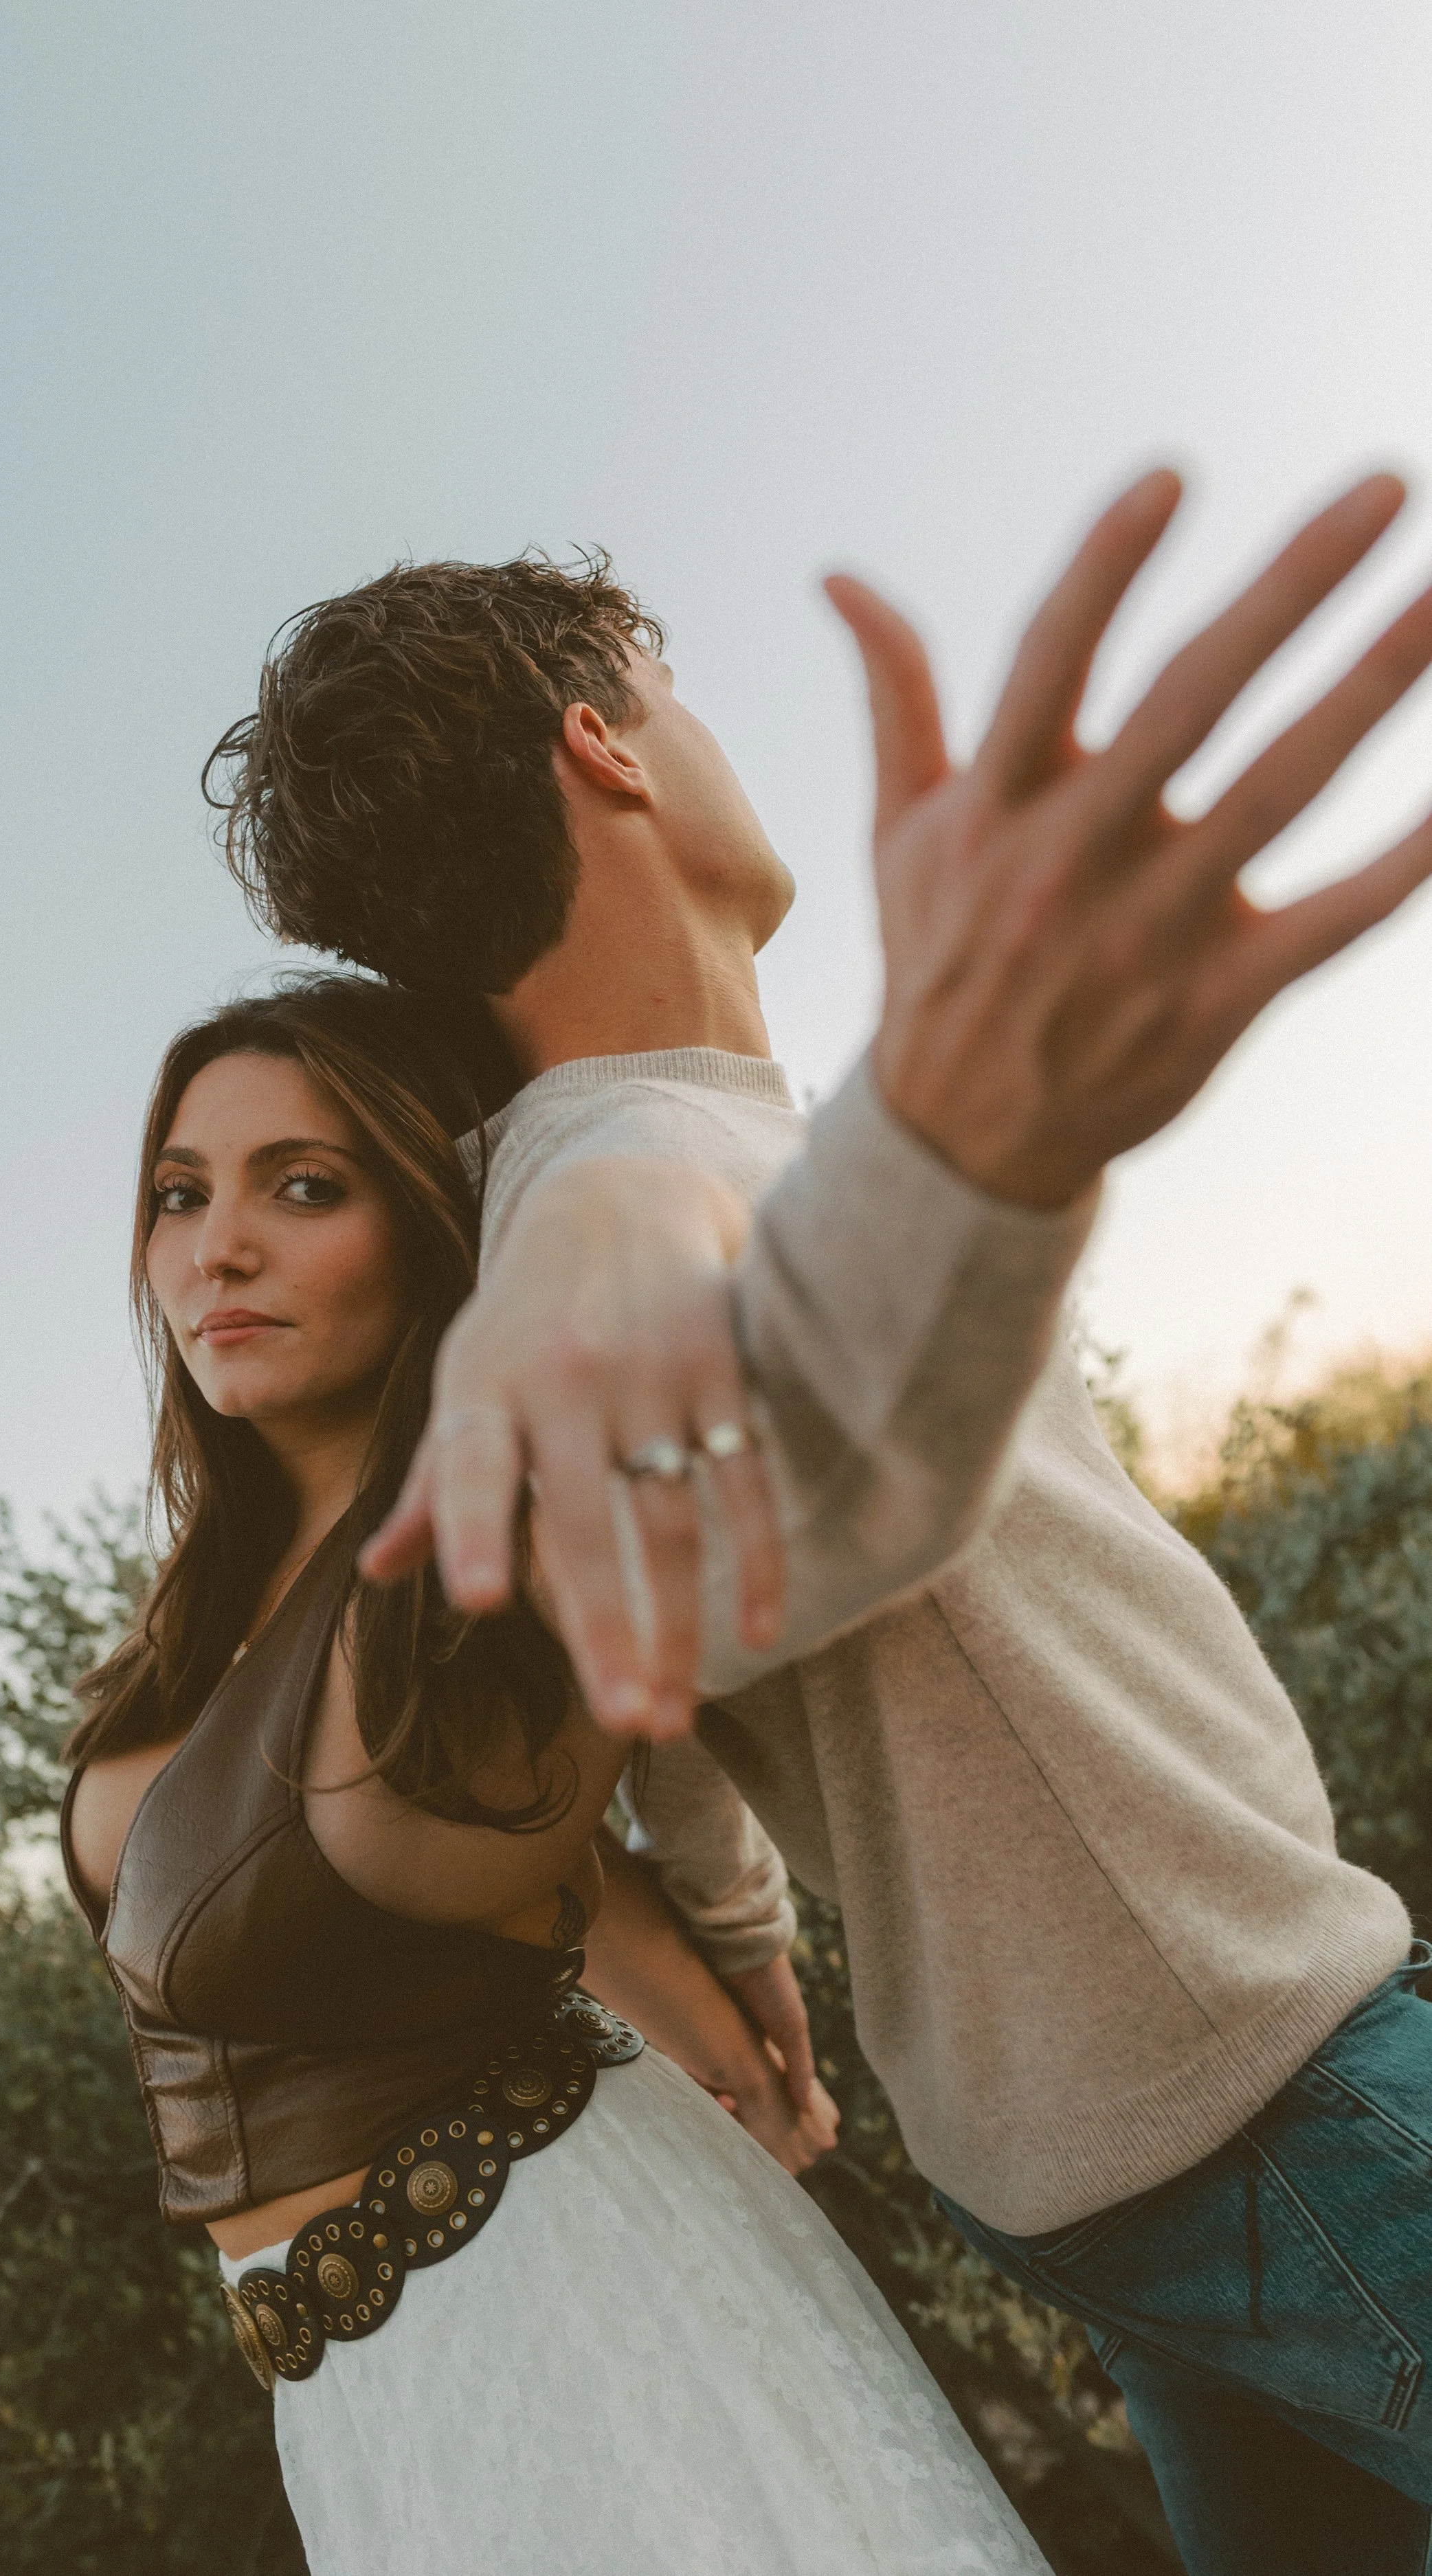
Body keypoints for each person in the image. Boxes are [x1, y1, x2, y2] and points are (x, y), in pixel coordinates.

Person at [205, 471, 1432, 2576]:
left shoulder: (623, 1157)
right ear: (602, 739)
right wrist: (965, 1142)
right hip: (1262, 2101)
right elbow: (747, 1366)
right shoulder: (616, 1171)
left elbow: (702, 1597)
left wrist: (743, 1924)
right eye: (667, 688)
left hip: (1100, 2153)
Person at [60, 976, 1050, 2576]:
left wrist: (631, 1203)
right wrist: (725, 1935)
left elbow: (728, 1313)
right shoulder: (198, 1618)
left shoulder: (499, 1518)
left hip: (582, 2320)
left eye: (301, 1186)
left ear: (432, 1224)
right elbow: (551, 1897)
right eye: (181, 1194)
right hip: (366, 2403)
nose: (213, 1248)